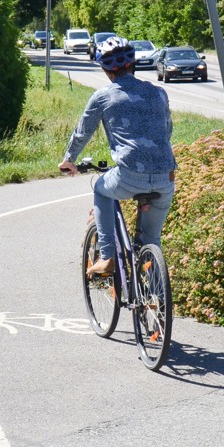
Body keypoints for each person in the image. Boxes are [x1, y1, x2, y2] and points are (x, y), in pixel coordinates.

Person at [58, 37, 177, 276]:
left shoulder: (103, 96)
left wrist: (69, 160)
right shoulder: (158, 93)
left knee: (101, 189)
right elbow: (167, 131)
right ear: (132, 63)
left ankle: (107, 257)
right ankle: (155, 293)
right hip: (166, 177)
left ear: (104, 68)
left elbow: (83, 132)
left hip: (129, 175)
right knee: (152, 238)